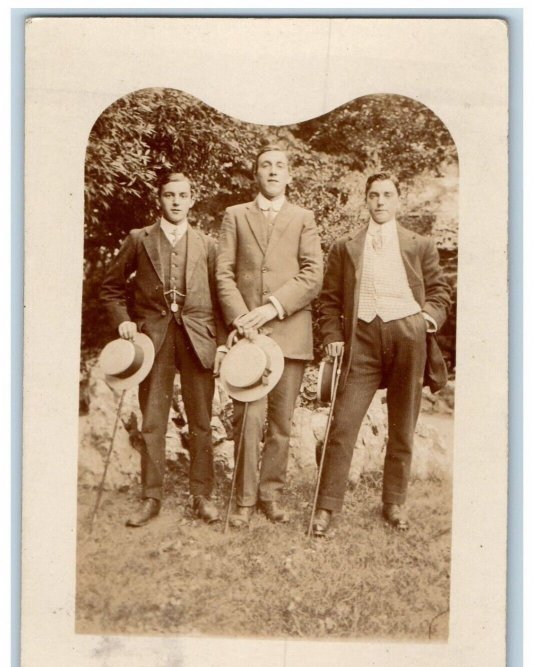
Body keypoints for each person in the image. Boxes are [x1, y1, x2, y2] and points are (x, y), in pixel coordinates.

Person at [311, 172, 451, 535]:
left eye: (388, 194)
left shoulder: (419, 244)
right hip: (362, 339)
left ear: (398, 200)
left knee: (402, 425)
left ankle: (394, 503)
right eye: (374, 195)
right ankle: (326, 507)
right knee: (343, 423)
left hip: (408, 335)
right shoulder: (346, 246)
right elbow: (329, 301)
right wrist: (333, 335)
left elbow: (439, 294)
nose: (380, 201)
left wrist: (424, 322)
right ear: (366, 200)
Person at [101, 170, 227, 526]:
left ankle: (202, 496)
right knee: (153, 422)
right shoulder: (139, 239)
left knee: (201, 421)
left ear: (191, 199)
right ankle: (151, 497)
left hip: (197, 338)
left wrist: (219, 344)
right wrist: (123, 320)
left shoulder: (206, 244)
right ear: (160, 199)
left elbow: (220, 300)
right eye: (169, 195)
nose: (175, 201)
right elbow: (110, 288)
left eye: (182, 195)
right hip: (152, 340)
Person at [216, 142, 323, 528]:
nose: (273, 171)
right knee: (248, 417)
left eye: (280, 166)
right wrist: (243, 318)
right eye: (266, 166)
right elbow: (223, 272)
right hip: (248, 337)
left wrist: (273, 307)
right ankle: (243, 499)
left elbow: (313, 274)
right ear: (256, 174)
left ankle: (270, 495)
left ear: (289, 174)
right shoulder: (235, 216)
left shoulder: (303, 218)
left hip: (290, 334)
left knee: (281, 422)